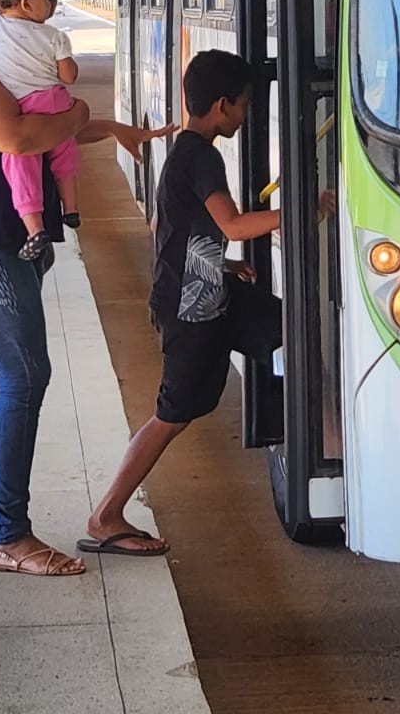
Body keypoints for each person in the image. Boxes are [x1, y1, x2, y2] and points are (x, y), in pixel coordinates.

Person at [0, 0, 167, 577]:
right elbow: (16, 134)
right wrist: (85, 108)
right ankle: (9, 534)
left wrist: (108, 127)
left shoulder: (0, 57)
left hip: (2, 241)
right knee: (25, 379)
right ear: (7, 6)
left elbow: (43, 118)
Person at [80, 49, 333, 558]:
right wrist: (307, 208)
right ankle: (106, 515)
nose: (247, 114)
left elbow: (168, 229)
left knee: (290, 333)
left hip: (210, 290)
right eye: (243, 105)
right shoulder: (201, 155)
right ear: (221, 106)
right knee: (172, 414)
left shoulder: (187, 151)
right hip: (191, 309)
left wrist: (219, 264)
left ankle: (318, 449)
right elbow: (234, 225)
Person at [0, 0, 82, 261]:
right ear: (27, 2)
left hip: (25, 107)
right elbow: (69, 76)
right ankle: (72, 209)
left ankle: (35, 228)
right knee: (64, 153)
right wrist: (66, 60)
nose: (50, 3)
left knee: (21, 163)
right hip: (56, 102)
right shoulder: (55, 36)